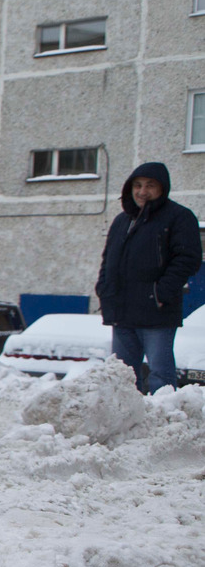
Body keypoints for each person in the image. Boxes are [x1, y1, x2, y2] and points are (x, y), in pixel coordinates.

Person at [94, 161, 202, 393]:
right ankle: (126, 424)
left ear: (162, 188)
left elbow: (188, 259)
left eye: (150, 185)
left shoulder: (179, 217)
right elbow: (108, 260)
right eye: (138, 185)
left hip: (156, 312)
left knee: (160, 375)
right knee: (122, 379)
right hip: (122, 312)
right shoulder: (122, 221)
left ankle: (163, 422)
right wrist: (104, 289)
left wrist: (159, 293)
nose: (142, 191)